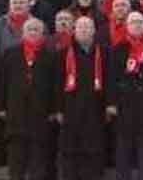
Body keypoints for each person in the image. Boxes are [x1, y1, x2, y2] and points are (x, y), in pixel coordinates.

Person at [0, 17, 59, 180]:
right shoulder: (10, 54)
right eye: (29, 29)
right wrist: (0, 106)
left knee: (38, 163)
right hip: (15, 114)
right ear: (23, 33)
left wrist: (53, 109)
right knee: (16, 163)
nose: (32, 32)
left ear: (43, 34)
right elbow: (1, 81)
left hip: (40, 115)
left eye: (36, 30)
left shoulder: (50, 56)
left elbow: (55, 86)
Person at [108, 11, 143, 180]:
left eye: (140, 22)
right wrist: (111, 103)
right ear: (127, 26)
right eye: (133, 22)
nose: (137, 25)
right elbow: (111, 77)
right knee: (123, 148)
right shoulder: (119, 48)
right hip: (125, 105)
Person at [58, 15, 108, 180]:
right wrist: (57, 109)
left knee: (94, 152)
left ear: (94, 31)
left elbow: (111, 81)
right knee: (70, 152)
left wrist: (109, 105)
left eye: (88, 27)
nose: (84, 30)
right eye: (80, 27)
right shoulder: (63, 54)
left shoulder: (104, 53)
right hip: (70, 109)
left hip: (96, 109)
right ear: (74, 31)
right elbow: (55, 84)